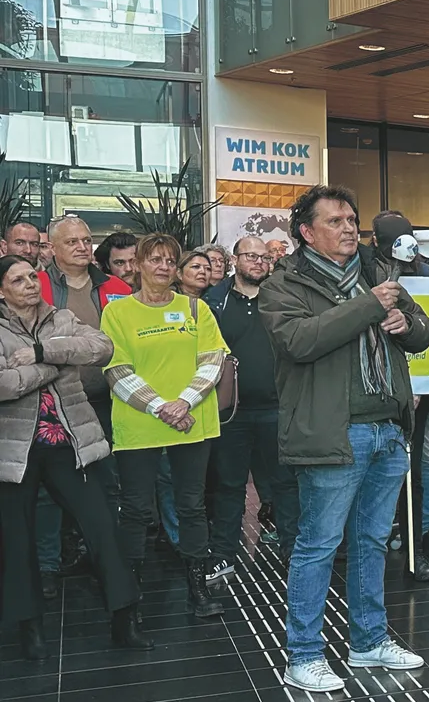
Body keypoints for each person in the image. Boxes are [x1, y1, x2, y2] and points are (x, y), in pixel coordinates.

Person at [259, 185, 429, 694]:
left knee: (373, 541)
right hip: (334, 432)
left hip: (388, 426)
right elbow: (299, 342)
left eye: (351, 218)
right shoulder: (283, 285)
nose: (348, 227)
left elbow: (423, 334)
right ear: (307, 232)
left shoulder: (377, 272)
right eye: (334, 220)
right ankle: (304, 655)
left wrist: (405, 323)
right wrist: (368, 308)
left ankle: (368, 641)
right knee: (318, 545)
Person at [0, 255, 151, 659]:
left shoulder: (61, 318)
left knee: (103, 527)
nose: (30, 284)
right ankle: (29, 629)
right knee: (17, 541)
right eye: (18, 280)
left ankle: (125, 620)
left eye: (33, 275)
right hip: (15, 453)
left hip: (72, 444)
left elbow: (101, 348)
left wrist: (42, 351)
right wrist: (55, 365)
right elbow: (5, 384)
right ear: (2, 290)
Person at [102, 234, 230, 619]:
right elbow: (116, 370)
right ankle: (130, 597)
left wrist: (184, 402)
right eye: (155, 259)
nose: (163, 267)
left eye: (170, 261)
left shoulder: (195, 309)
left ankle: (198, 590)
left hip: (192, 422)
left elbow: (213, 359)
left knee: (191, 506)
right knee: (136, 510)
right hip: (140, 426)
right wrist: (163, 408)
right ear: (138, 264)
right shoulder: (117, 312)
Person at [34, 216, 134, 596]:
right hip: (53, 403)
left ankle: (103, 558)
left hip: (108, 401)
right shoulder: (37, 285)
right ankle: (47, 564)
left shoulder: (117, 286)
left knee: (107, 484)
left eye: (86, 240)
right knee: (48, 489)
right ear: (53, 248)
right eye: (72, 241)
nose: (81, 246)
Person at [370, 210, 429, 582]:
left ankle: (424, 534)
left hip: (421, 393)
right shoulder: (366, 276)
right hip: (378, 389)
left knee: (421, 464)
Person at [205, 237, 299, 572]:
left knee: (286, 484)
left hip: (278, 406)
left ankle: (293, 552)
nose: (259, 262)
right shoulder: (214, 301)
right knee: (228, 485)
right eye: (251, 256)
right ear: (234, 259)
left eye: (264, 257)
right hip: (231, 411)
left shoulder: (281, 298)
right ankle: (223, 555)